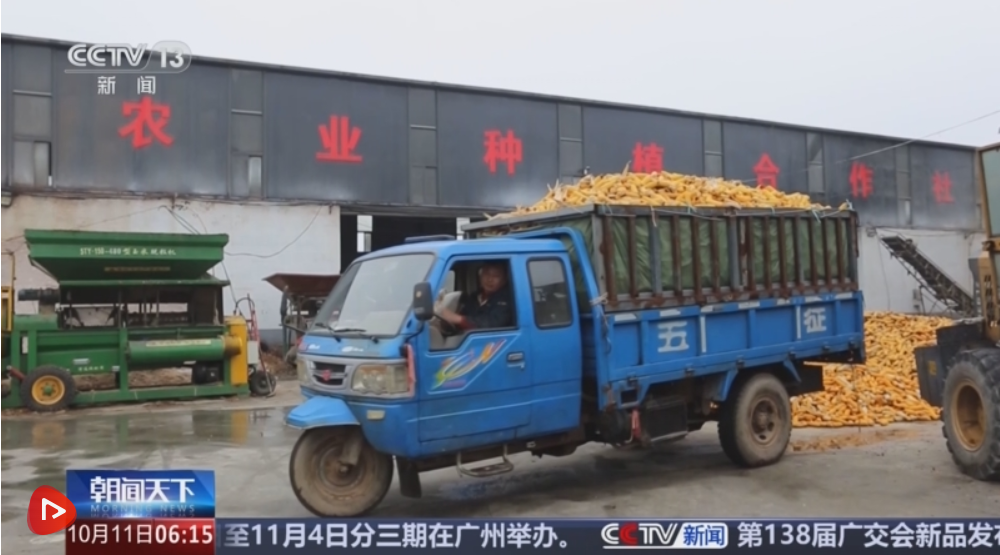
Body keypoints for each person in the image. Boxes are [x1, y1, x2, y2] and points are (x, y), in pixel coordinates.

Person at [436, 262, 513, 333]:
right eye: (486, 274)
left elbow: (492, 324)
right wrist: (445, 320)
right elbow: (462, 317)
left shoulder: (508, 300)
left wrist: (458, 319)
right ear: (480, 276)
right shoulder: (474, 297)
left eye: (496, 276)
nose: (490, 279)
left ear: (504, 280)